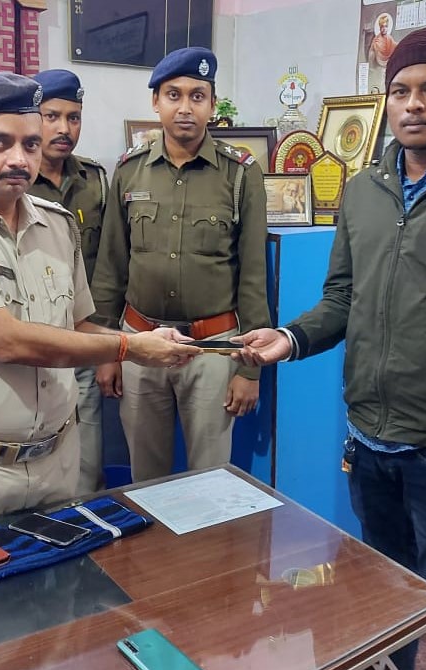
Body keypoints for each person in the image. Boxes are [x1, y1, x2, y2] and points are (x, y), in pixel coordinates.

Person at [232, 27, 426, 670]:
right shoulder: (365, 188)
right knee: (386, 602)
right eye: (400, 90)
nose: (412, 104)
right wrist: (288, 337)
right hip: (369, 438)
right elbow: (342, 296)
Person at [0, 71, 200, 525]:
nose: (18, 159)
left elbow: (78, 323)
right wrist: (130, 347)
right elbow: (8, 341)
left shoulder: (56, 223)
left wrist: (149, 341)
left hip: (58, 466)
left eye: (30, 144)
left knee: (73, 573)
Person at [90, 46, 271, 482]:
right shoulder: (129, 170)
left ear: (212, 104)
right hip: (139, 345)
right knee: (145, 477)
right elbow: (111, 268)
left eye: (197, 96)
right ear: (156, 101)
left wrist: (250, 369)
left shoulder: (240, 173)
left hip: (213, 348)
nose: (185, 107)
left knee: (211, 479)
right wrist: (106, 351)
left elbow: (253, 276)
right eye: (174, 95)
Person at [30, 69, 107, 493]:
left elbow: (108, 267)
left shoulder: (94, 180)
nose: (64, 128)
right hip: (32, 346)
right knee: (36, 475)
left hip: (82, 342)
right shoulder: (15, 180)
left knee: (87, 471)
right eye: (52, 116)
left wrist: (109, 347)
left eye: (73, 117)